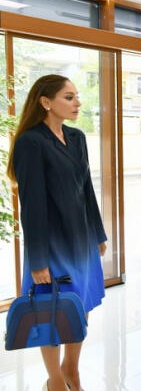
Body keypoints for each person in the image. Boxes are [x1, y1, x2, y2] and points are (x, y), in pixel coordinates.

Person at [7, 74, 108, 391]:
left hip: (82, 239)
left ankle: (71, 370)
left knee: (79, 306)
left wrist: (98, 233)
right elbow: (32, 206)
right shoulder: (31, 142)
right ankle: (55, 381)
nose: (78, 102)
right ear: (46, 102)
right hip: (51, 245)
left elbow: (86, 189)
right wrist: (38, 260)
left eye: (77, 96)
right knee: (49, 313)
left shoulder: (77, 137)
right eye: (69, 97)